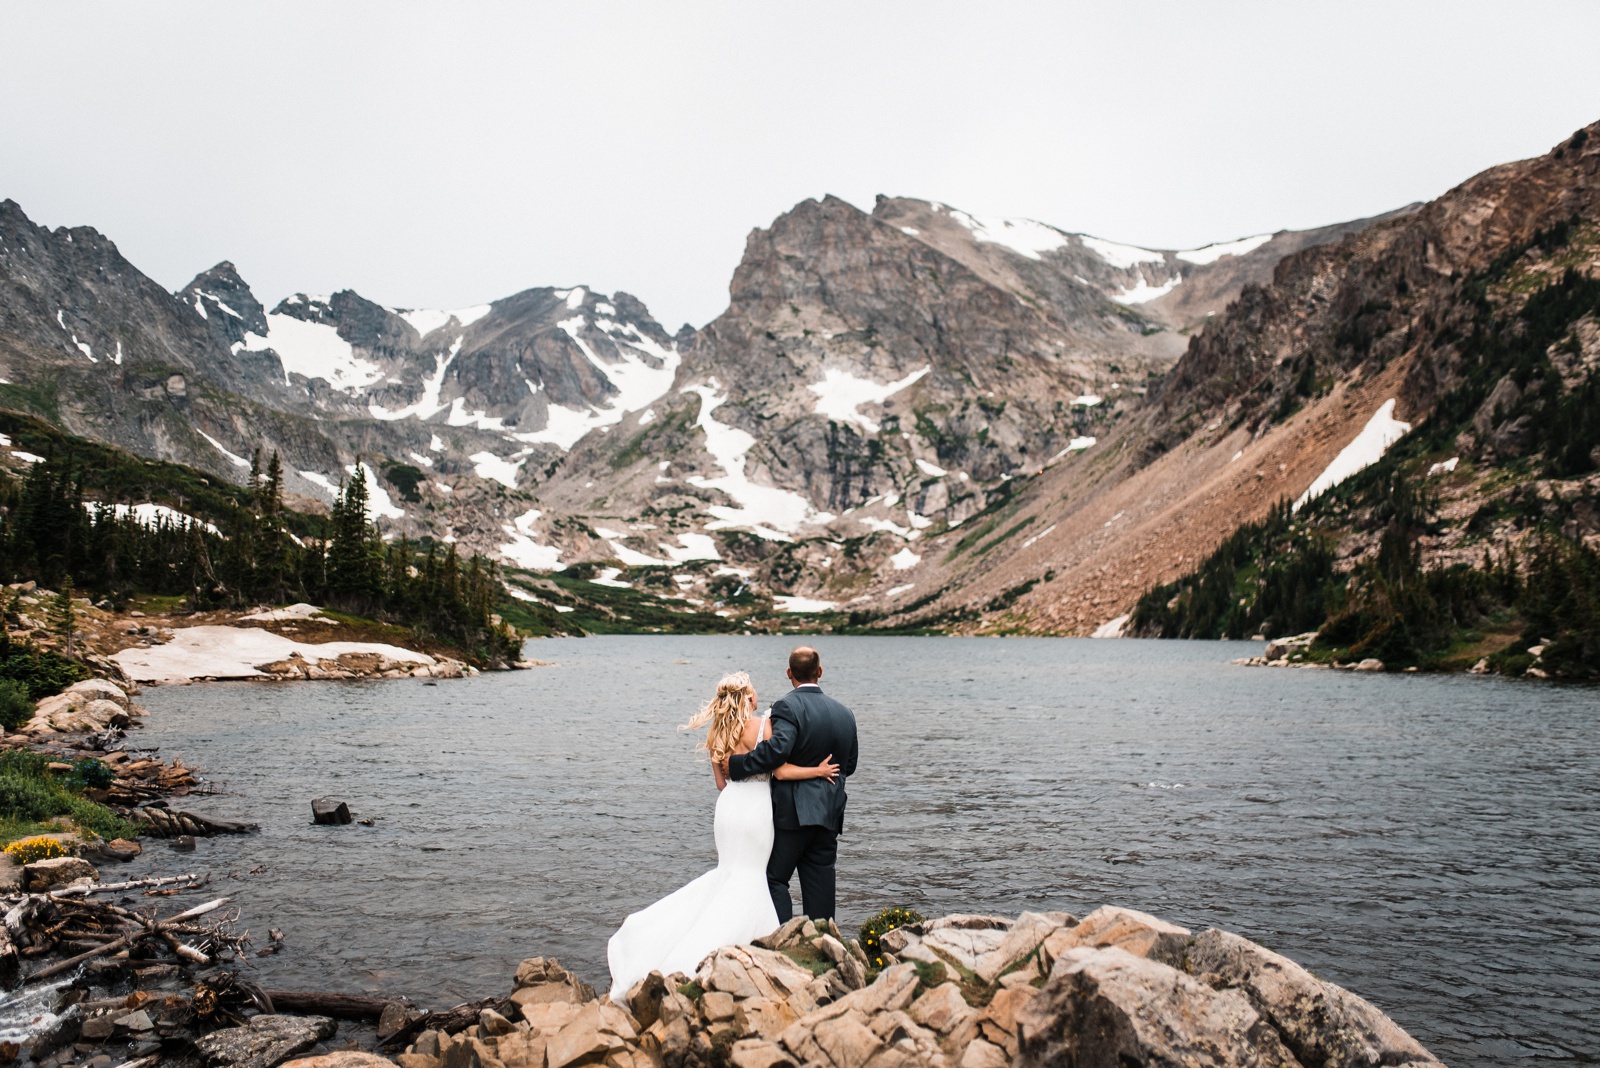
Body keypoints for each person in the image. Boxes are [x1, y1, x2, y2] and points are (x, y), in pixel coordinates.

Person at [605, 671, 838, 1002]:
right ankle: (752, 946)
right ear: (748, 697)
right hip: (758, 809)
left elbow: (721, 783)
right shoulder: (762, 726)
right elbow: (781, 771)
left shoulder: (717, 731)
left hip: (729, 808)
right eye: (754, 691)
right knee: (755, 875)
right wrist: (818, 771)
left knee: (729, 872)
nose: (758, 695)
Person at [726, 646, 859, 923]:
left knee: (773, 880)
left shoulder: (787, 706)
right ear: (819, 672)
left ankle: (783, 943)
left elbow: (777, 751)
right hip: (828, 814)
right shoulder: (845, 713)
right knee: (820, 884)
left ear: (789, 673)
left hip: (792, 816)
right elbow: (849, 766)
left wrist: (736, 765)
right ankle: (823, 945)